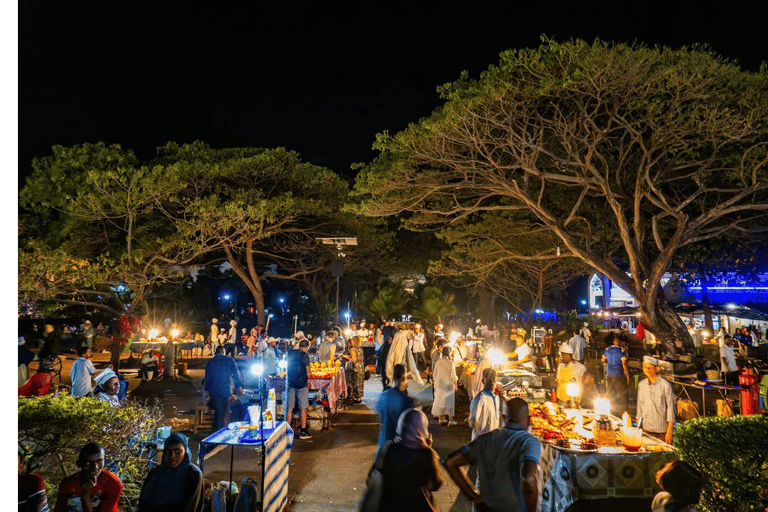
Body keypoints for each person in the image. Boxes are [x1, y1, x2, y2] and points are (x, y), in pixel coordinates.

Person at [443, 397, 541, 512]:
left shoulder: (485, 439)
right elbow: (528, 479)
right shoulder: (529, 442)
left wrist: (472, 495)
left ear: (503, 418)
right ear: (529, 420)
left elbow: (451, 462)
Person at [379, 408, 443, 512]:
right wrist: (429, 447)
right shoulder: (426, 455)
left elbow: (382, 473)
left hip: (390, 506)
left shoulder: (389, 448)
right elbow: (436, 484)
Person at [138, 433, 203, 512]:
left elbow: (189, 507)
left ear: (185, 453)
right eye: (168, 451)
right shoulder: (156, 473)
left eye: (177, 451)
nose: (172, 456)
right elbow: (143, 502)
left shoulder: (192, 474)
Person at [54, 442, 122, 512]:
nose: (95, 467)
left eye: (99, 461)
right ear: (79, 463)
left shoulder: (113, 483)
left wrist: (85, 497)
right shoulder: (68, 483)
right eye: (89, 463)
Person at [375, 364, 417, 459]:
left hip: (383, 445)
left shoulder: (383, 396)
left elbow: (379, 417)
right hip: (399, 449)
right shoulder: (406, 400)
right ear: (404, 377)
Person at [636, 356, 676, 445]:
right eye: (645, 367)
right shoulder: (642, 385)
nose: (647, 370)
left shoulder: (665, 385)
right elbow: (640, 407)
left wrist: (669, 431)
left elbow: (671, 408)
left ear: (657, 369)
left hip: (661, 431)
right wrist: (638, 427)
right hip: (646, 429)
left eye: (650, 368)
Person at [204, 345, 244, 430]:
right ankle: (223, 433)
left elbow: (207, 379)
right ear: (223, 352)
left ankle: (217, 432)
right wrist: (239, 385)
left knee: (218, 413)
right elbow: (237, 374)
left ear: (216, 352)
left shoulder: (210, 362)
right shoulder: (229, 360)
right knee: (225, 414)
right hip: (226, 391)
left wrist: (207, 394)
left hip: (214, 392)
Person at [287, 339, 312, 440]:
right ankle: (303, 430)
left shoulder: (291, 354)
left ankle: (287, 430)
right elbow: (308, 372)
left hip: (291, 383)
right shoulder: (305, 356)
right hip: (302, 385)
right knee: (303, 408)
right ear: (306, 347)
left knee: (290, 408)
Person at [602, 334, 629, 415]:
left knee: (611, 394)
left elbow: (603, 360)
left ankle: (611, 412)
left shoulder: (607, 350)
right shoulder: (621, 351)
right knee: (621, 395)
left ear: (614, 342)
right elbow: (624, 364)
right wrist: (627, 376)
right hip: (619, 375)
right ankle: (622, 412)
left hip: (609, 375)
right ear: (620, 342)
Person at [468, 368, 498, 440]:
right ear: (483, 381)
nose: (492, 382)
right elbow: (472, 422)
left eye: (493, 379)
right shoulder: (479, 398)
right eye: (489, 380)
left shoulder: (496, 398)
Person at [432, 346, 458, 426]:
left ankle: (441, 419)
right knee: (449, 402)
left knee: (440, 401)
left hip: (440, 384)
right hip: (448, 385)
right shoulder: (450, 363)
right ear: (449, 353)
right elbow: (453, 376)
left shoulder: (438, 362)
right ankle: (450, 420)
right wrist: (455, 385)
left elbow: (434, 373)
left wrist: (437, 382)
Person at [344, 335, 365, 404]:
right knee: (360, 382)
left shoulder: (352, 349)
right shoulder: (360, 349)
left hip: (356, 368)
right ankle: (360, 398)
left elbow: (354, 360)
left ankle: (356, 398)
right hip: (361, 367)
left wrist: (347, 357)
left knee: (355, 383)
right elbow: (361, 358)